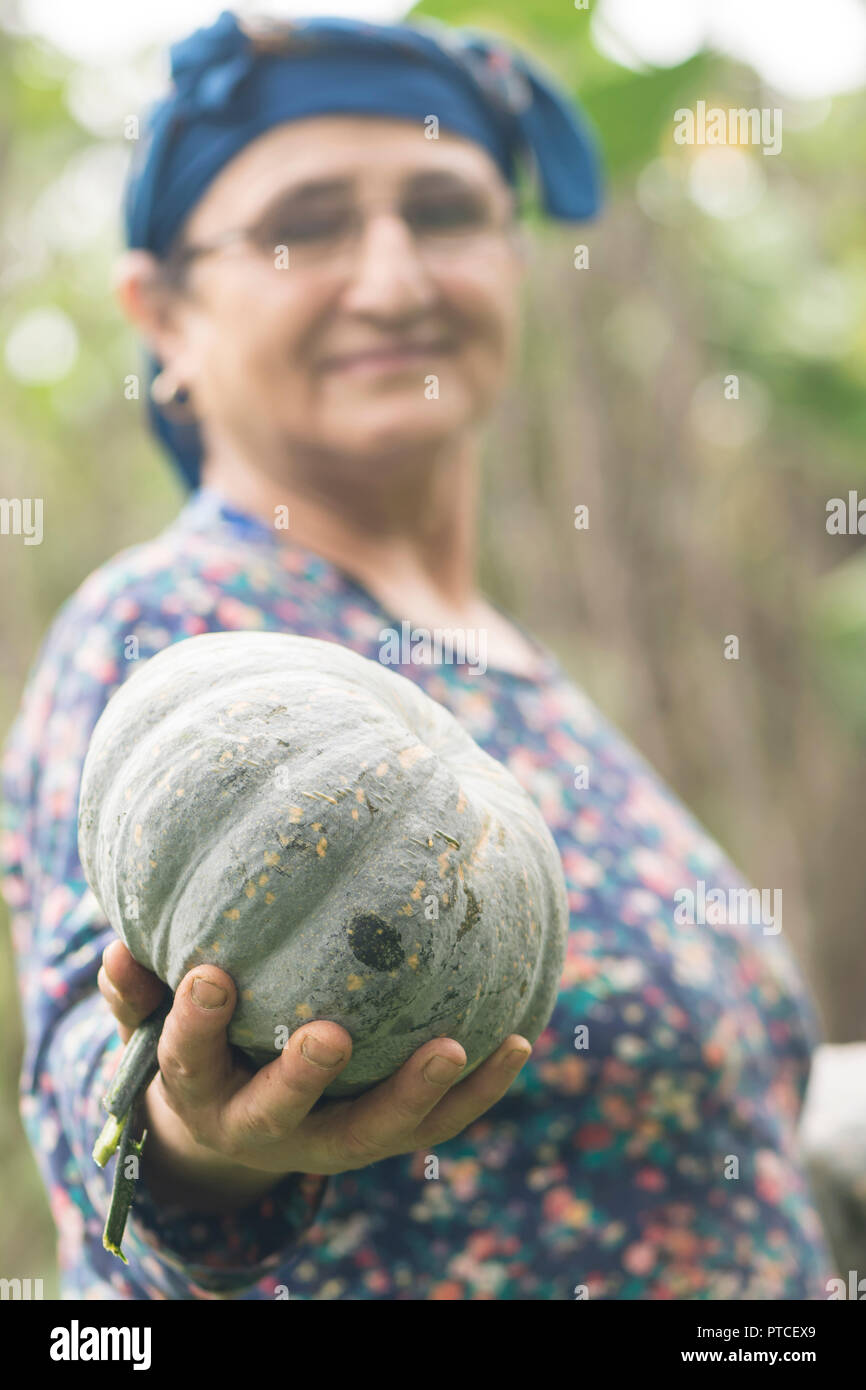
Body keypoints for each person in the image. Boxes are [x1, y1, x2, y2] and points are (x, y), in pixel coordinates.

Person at [1, 11, 832, 1300]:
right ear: (161, 312)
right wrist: (199, 1147)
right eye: (307, 225)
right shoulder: (176, 620)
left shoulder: (520, 679)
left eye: (444, 214)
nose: (392, 280)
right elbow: (94, 1094)